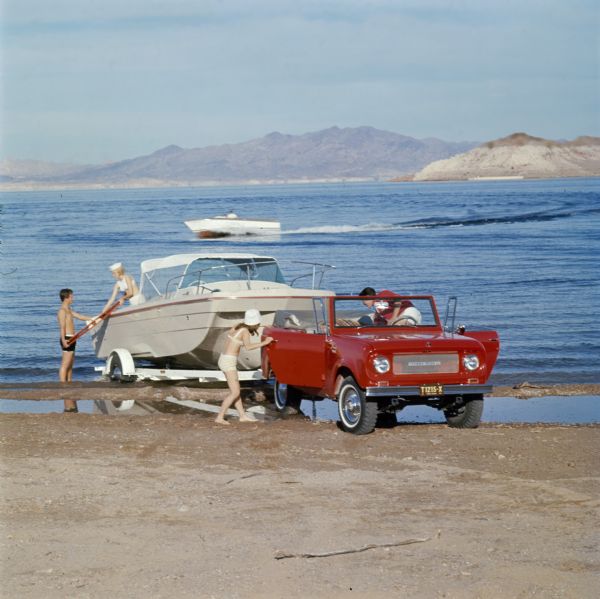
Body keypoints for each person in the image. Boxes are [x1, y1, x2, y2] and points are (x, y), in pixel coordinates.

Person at [215, 309, 273, 425]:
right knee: (235, 392)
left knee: (234, 390)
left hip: (223, 359)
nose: (258, 326)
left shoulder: (238, 327)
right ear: (254, 323)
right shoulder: (245, 331)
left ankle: (242, 416)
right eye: (257, 324)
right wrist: (265, 342)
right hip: (228, 362)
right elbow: (248, 347)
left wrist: (262, 326)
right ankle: (219, 417)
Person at [57, 288, 97, 413]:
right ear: (67, 297)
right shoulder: (62, 311)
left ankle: (69, 384)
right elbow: (62, 326)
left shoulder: (68, 310)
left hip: (73, 339)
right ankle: (63, 387)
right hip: (67, 339)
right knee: (65, 365)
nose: (73, 298)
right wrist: (64, 340)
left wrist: (93, 318)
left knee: (70, 365)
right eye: (72, 296)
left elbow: (79, 316)